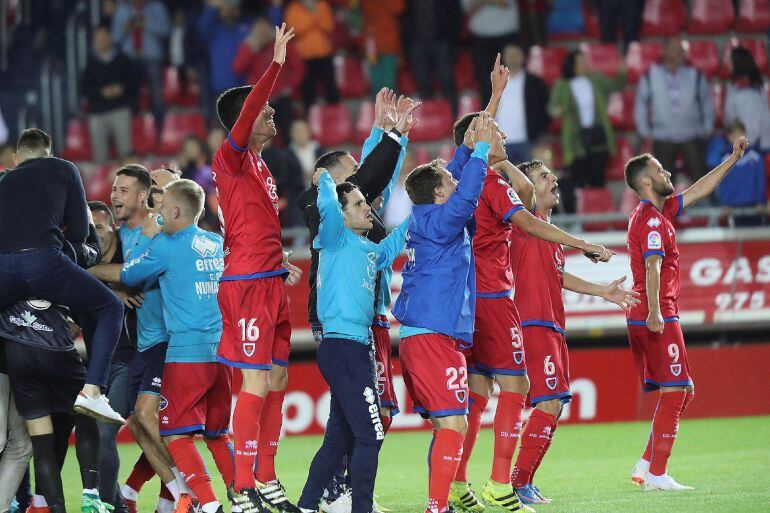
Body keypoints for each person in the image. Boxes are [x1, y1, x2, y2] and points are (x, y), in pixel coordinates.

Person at [448, 61, 612, 513]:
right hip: (496, 298)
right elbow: (528, 222)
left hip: (465, 301)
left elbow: (498, 163)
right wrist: (583, 243)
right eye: (495, 132)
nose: (502, 136)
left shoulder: (458, 179)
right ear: (479, 139)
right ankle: (503, 486)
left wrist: (494, 103)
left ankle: (457, 485)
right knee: (518, 388)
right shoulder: (492, 184)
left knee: (477, 398)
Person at [296, 89, 415, 511]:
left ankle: (310, 504)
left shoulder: (368, 246)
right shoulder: (329, 229)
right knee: (370, 431)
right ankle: (355, 503)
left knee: (343, 433)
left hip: (358, 345)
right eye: (354, 184)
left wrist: (430, 203)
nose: (369, 202)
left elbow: (396, 229)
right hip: (343, 344)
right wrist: (389, 137)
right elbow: (357, 187)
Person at [98, 180, 234, 513]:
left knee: (174, 434)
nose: (158, 213)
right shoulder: (216, 242)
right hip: (222, 353)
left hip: (184, 353)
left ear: (174, 210)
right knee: (217, 435)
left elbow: (129, 275)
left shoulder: (167, 246)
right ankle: (243, 497)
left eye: (163, 208)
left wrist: (83, 269)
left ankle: (205, 502)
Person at [508, 160, 639, 505]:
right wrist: (500, 156)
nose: (553, 179)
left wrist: (602, 292)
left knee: (555, 404)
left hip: (552, 324)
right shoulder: (524, 222)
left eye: (552, 174)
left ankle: (525, 480)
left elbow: (559, 276)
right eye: (543, 176)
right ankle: (517, 483)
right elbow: (518, 186)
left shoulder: (549, 233)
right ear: (527, 188)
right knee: (549, 401)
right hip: (532, 321)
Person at [212, 24, 303, 513]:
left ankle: (266, 478)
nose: (272, 114)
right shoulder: (231, 157)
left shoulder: (261, 167)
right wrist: (276, 65)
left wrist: (279, 263)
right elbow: (250, 109)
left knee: (277, 381)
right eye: (266, 111)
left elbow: (253, 226)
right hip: (245, 285)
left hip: (267, 280)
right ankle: (241, 485)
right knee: (253, 383)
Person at [624, 135, 748, 491]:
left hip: (657, 310)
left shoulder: (660, 212)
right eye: (660, 170)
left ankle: (647, 462)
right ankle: (657, 475)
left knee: (683, 389)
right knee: (677, 389)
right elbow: (651, 265)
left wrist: (732, 159)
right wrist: (654, 313)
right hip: (656, 312)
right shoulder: (650, 220)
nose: (668, 174)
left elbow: (699, 191)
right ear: (646, 181)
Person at [391, 113, 496, 513]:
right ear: (439, 194)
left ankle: (440, 504)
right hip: (434, 336)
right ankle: (437, 507)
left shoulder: (426, 215)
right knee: (455, 424)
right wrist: (483, 150)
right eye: (447, 182)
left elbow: (452, 177)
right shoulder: (443, 220)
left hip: (424, 335)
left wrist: (468, 146)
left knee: (446, 425)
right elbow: (467, 194)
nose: (454, 179)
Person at [0, 128, 124, 424]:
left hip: (3, 268)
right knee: (109, 307)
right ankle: (93, 393)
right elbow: (81, 231)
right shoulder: (63, 168)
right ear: (49, 153)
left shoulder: (3, 179)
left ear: (18, 157)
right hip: (43, 262)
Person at [89, 165, 184, 513]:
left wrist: (93, 274)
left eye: (124, 190)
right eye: (115, 188)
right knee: (146, 427)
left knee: (157, 424)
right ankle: (165, 495)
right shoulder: (121, 236)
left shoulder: (157, 230)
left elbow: (135, 273)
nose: (115, 195)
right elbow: (119, 277)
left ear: (143, 196)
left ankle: (181, 495)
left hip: (172, 342)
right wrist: (111, 286)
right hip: (144, 345)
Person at [0, 220, 111, 513]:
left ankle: (52, 508)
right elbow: (90, 257)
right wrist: (85, 224)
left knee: (41, 444)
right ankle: (91, 495)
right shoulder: (59, 261)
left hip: (18, 355)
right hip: (57, 351)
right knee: (86, 413)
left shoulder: (8, 261)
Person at [87, 201, 137, 513]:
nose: (95, 233)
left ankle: (109, 504)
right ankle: (117, 503)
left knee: (105, 430)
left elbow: (135, 278)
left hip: (130, 360)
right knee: (95, 435)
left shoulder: (129, 258)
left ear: (113, 228)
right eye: (90, 228)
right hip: (97, 366)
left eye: (101, 227)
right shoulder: (81, 262)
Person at [548, 50, 625, 211]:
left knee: (598, 179)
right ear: (572, 66)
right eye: (581, 62)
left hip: (597, 137)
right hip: (576, 141)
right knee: (577, 181)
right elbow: (551, 108)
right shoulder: (562, 85)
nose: (585, 65)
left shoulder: (596, 79)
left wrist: (621, 72)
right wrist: (557, 110)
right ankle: (580, 217)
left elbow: (616, 85)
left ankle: (599, 216)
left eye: (585, 61)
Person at [634, 37, 714, 180]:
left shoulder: (695, 75)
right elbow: (640, 104)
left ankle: (706, 203)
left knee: (701, 179)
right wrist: (644, 131)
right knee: (663, 183)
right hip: (663, 136)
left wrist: (707, 127)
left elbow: (706, 102)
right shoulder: (650, 76)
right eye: (676, 50)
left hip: (692, 134)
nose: (681, 53)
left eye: (682, 50)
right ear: (665, 52)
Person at [232, 17, 305, 145]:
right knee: (263, 139)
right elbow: (237, 68)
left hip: (281, 99)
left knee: (287, 133)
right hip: (260, 103)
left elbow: (299, 68)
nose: (262, 32)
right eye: (258, 29)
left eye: (264, 28)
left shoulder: (282, 44)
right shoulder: (249, 47)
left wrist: (289, 87)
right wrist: (250, 49)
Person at [80, 25, 138, 164]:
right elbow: (84, 88)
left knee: (126, 155)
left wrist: (121, 88)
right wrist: (102, 92)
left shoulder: (123, 59)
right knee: (99, 158)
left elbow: (134, 83)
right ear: (94, 41)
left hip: (120, 109)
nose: (101, 40)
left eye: (104, 36)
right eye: (98, 38)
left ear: (110, 38)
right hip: (98, 112)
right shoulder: (90, 64)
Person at [111, 0, 170, 133]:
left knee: (157, 99)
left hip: (152, 59)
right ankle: (133, 133)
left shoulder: (157, 8)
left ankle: (160, 132)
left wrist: (146, 24)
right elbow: (114, 38)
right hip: (129, 61)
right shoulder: (121, 11)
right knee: (129, 98)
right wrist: (127, 29)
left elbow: (166, 31)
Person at [402, 0, 461, 115]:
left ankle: (453, 119)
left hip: (442, 42)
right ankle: (431, 119)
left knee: (447, 82)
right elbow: (404, 17)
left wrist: (452, 40)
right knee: (423, 84)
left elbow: (455, 14)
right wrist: (408, 42)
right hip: (416, 44)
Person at [495, 44, 550, 163]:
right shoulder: (493, 82)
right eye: (509, 55)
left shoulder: (535, 82)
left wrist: (540, 132)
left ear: (523, 57)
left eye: (515, 55)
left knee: (533, 179)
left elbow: (545, 109)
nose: (512, 58)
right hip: (500, 142)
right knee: (501, 181)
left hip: (529, 140)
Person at [708, 120, 767, 226]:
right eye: (735, 135)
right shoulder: (724, 160)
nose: (738, 138)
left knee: (754, 238)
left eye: (741, 134)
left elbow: (761, 181)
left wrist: (761, 201)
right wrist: (725, 203)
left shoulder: (756, 157)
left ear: (746, 136)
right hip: (733, 207)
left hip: (754, 206)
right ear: (729, 137)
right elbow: (721, 183)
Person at [461, 0, 520, 106]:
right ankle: (488, 117)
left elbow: (505, 3)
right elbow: (468, 10)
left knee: (509, 81)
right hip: (479, 38)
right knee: (483, 82)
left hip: (507, 36)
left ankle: (511, 115)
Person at [284, 0, 339, 111]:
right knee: (308, 92)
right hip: (304, 57)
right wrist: (314, 16)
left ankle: (336, 116)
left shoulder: (322, 4)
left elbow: (328, 26)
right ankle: (309, 120)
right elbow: (293, 30)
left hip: (324, 53)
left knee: (331, 89)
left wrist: (313, 13)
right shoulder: (293, 8)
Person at [198, 0, 253, 100]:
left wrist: (276, 8)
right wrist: (213, 7)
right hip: (220, 89)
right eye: (227, 7)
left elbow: (270, 33)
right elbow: (202, 27)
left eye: (234, 7)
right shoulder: (213, 30)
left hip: (244, 87)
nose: (230, 10)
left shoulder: (246, 27)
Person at [725, 46, 770, 153]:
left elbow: (751, 129)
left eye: (730, 60)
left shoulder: (748, 92)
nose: (727, 63)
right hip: (739, 142)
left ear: (737, 63)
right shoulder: (734, 85)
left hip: (750, 147)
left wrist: (741, 148)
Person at [360, 0, 404, 95]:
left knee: (384, 80)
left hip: (380, 40)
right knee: (380, 81)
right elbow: (398, 9)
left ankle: (383, 105)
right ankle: (380, 104)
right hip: (379, 40)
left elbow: (398, 9)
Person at [287, 120, 325, 185]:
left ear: (309, 132)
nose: (300, 134)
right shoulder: (286, 155)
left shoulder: (319, 150)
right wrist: (303, 177)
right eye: (297, 131)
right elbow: (286, 178)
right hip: (298, 191)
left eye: (302, 130)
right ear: (291, 134)